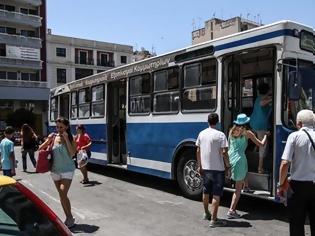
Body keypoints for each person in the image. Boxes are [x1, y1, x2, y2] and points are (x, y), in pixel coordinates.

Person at [278, 109, 315, 236]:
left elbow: (284, 163)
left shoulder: (294, 136)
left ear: (298, 123)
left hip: (298, 187)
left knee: (296, 225)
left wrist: (281, 184)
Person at [38, 117, 76, 228]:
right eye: (57, 127)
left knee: (63, 193)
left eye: (61, 127)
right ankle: (69, 217)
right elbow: (40, 148)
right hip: (54, 170)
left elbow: (72, 153)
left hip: (67, 170)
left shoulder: (71, 137)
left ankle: (69, 217)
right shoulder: (53, 137)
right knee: (61, 195)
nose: (59, 129)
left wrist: (67, 139)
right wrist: (48, 140)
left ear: (66, 127)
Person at [227, 113, 268, 219]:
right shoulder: (248, 133)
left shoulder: (231, 131)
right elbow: (261, 144)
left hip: (232, 158)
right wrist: (266, 136)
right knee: (237, 189)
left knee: (244, 170)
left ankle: (246, 186)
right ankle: (231, 210)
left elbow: (229, 146)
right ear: (246, 123)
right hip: (240, 159)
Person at [196, 113, 231, 228]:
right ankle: (214, 220)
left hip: (205, 168)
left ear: (208, 121)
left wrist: (199, 166)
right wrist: (228, 166)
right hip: (218, 169)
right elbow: (224, 153)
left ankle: (206, 213)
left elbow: (198, 151)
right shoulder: (220, 135)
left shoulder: (202, 134)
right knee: (216, 194)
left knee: (205, 192)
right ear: (218, 122)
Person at [250, 82, 272, 173]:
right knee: (263, 145)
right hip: (261, 126)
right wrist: (272, 98)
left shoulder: (259, 98)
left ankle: (255, 149)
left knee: (259, 142)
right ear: (267, 90)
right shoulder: (262, 100)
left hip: (254, 124)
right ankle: (260, 167)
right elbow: (263, 103)